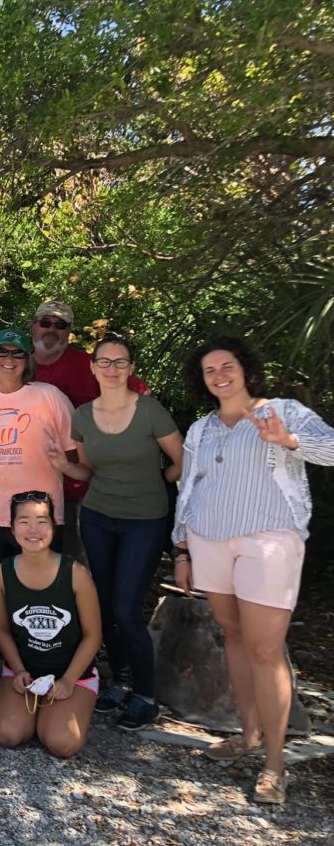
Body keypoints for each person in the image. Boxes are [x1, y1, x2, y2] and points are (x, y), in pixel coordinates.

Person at [173, 335, 334, 805]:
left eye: (227, 366)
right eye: (209, 371)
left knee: (266, 649)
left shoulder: (280, 410)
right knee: (233, 635)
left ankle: (275, 765)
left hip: (269, 542)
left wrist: (288, 440)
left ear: (244, 367)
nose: (220, 375)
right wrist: (181, 548)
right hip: (209, 540)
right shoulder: (202, 428)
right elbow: (189, 488)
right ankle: (249, 734)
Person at [47, 334, 183, 731]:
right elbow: (89, 471)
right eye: (104, 362)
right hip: (97, 515)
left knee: (126, 606)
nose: (111, 369)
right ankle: (121, 682)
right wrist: (62, 465)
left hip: (145, 518)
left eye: (120, 362)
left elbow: (180, 461)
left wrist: (158, 482)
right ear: (92, 367)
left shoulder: (151, 411)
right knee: (104, 605)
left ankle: (145, 693)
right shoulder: (83, 416)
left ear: (131, 368)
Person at [0, 328, 76, 691]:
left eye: (17, 353)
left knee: (41, 587)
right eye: (1, 352)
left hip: (40, 514)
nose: (9, 360)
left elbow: (72, 452)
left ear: (28, 360)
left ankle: (36, 659)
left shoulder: (50, 397)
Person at [29, 300, 149, 562]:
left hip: (81, 485)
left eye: (60, 325)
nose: (51, 330)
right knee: (36, 563)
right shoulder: (16, 364)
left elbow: (140, 396)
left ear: (68, 331)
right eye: (45, 323)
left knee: (81, 562)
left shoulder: (89, 365)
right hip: (28, 484)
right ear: (33, 326)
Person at [0, 491, 102, 758]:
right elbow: (2, 630)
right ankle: (32, 707)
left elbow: (92, 635)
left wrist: (68, 680)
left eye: (42, 521)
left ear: (53, 526)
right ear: (12, 527)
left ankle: (61, 708)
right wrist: (17, 670)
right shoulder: (1, 574)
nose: (33, 530)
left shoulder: (75, 573)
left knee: (62, 743)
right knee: (8, 734)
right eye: (23, 521)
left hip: (72, 674)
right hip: (25, 672)